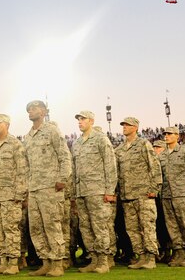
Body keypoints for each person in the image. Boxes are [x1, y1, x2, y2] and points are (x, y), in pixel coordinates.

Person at [23, 100, 72, 277]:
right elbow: (26, 166)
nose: (30, 111)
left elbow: (64, 156)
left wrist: (62, 178)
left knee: (52, 225)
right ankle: (45, 262)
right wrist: (27, 189)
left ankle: (57, 263)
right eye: (28, 109)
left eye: (34, 108)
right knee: (36, 228)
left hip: (50, 187)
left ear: (44, 111)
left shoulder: (51, 130)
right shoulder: (27, 137)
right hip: (34, 188)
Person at [71, 110, 117, 274]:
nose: (80, 121)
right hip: (82, 191)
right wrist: (74, 193)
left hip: (97, 190)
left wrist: (110, 190)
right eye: (78, 119)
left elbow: (110, 166)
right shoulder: (76, 143)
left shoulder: (100, 139)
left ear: (91, 121)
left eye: (82, 119)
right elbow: (74, 170)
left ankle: (104, 261)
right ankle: (94, 259)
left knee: (100, 227)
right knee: (86, 227)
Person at [114, 117, 162, 270]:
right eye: (123, 125)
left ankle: (150, 258)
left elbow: (154, 166)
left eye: (127, 125)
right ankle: (140, 256)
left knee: (147, 226)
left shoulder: (143, 144)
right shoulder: (119, 149)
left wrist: (154, 188)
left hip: (143, 193)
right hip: (127, 196)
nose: (124, 127)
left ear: (135, 127)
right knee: (132, 229)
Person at [0, 113, 28, 275]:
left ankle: (13, 263)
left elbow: (22, 171)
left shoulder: (15, 144)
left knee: (11, 229)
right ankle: (2, 261)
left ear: (7, 125)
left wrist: (19, 194)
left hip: (10, 195)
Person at [159, 127, 185, 267]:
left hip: (182, 194)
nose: (166, 136)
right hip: (167, 195)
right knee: (172, 226)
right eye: (165, 134)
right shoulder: (162, 155)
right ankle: (179, 253)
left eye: (169, 134)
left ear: (177, 136)